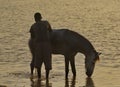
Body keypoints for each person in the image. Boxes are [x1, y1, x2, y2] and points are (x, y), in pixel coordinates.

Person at [29, 12, 52, 79]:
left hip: (38, 45)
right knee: (47, 61)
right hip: (47, 44)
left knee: (38, 62)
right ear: (41, 17)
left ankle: (39, 78)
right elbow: (50, 31)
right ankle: (47, 78)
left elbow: (32, 37)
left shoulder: (33, 26)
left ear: (35, 19)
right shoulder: (46, 23)